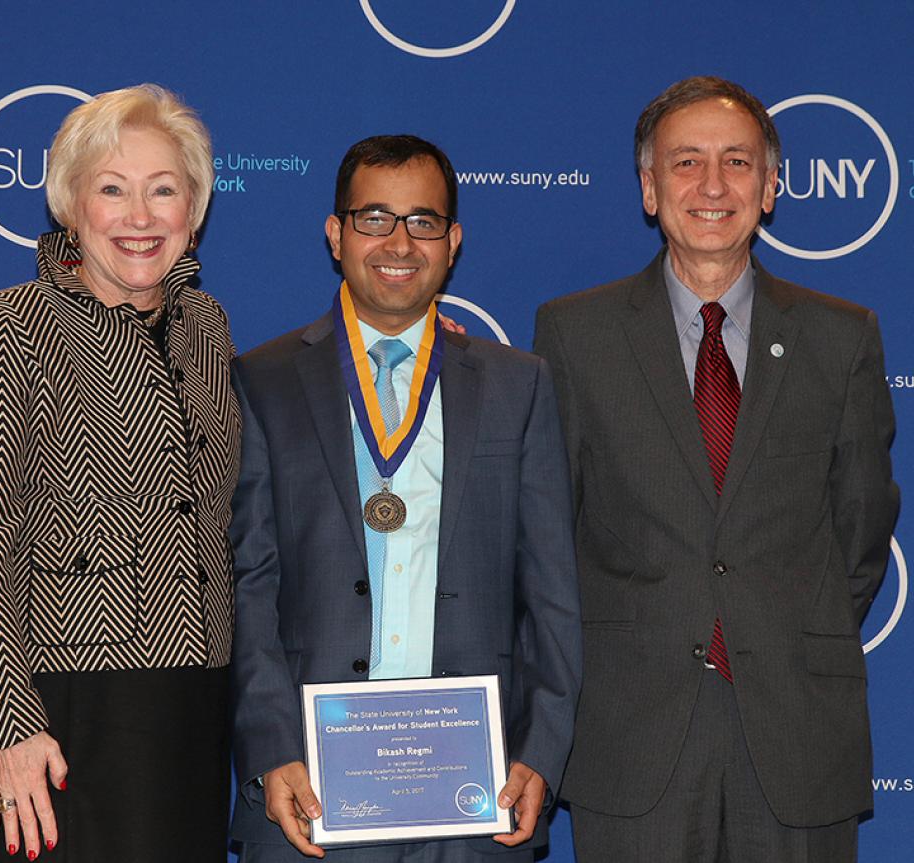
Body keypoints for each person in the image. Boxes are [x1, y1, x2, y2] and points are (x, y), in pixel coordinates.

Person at [534, 75, 899, 862]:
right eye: (685, 162)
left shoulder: (842, 338)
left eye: (737, 163)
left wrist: (782, 623)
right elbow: (550, 536)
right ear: (647, 186)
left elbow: (862, 533)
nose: (711, 186)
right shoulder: (575, 335)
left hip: (798, 732)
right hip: (633, 737)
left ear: (771, 188)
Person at [228, 134, 582, 862]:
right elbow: (245, 586)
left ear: (452, 241)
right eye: (374, 218)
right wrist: (270, 749)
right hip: (312, 792)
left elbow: (552, 593)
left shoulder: (520, 385)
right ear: (336, 234)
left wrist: (542, 750)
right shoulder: (260, 381)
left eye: (422, 221)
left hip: (475, 793)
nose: (399, 241)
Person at [0, 84, 240, 862]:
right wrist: (5, 726)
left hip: (193, 706)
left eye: (163, 190)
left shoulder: (207, 328)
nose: (140, 217)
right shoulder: (0, 327)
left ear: (195, 209)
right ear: (71, 204)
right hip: (60, 718)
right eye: (113, 189)